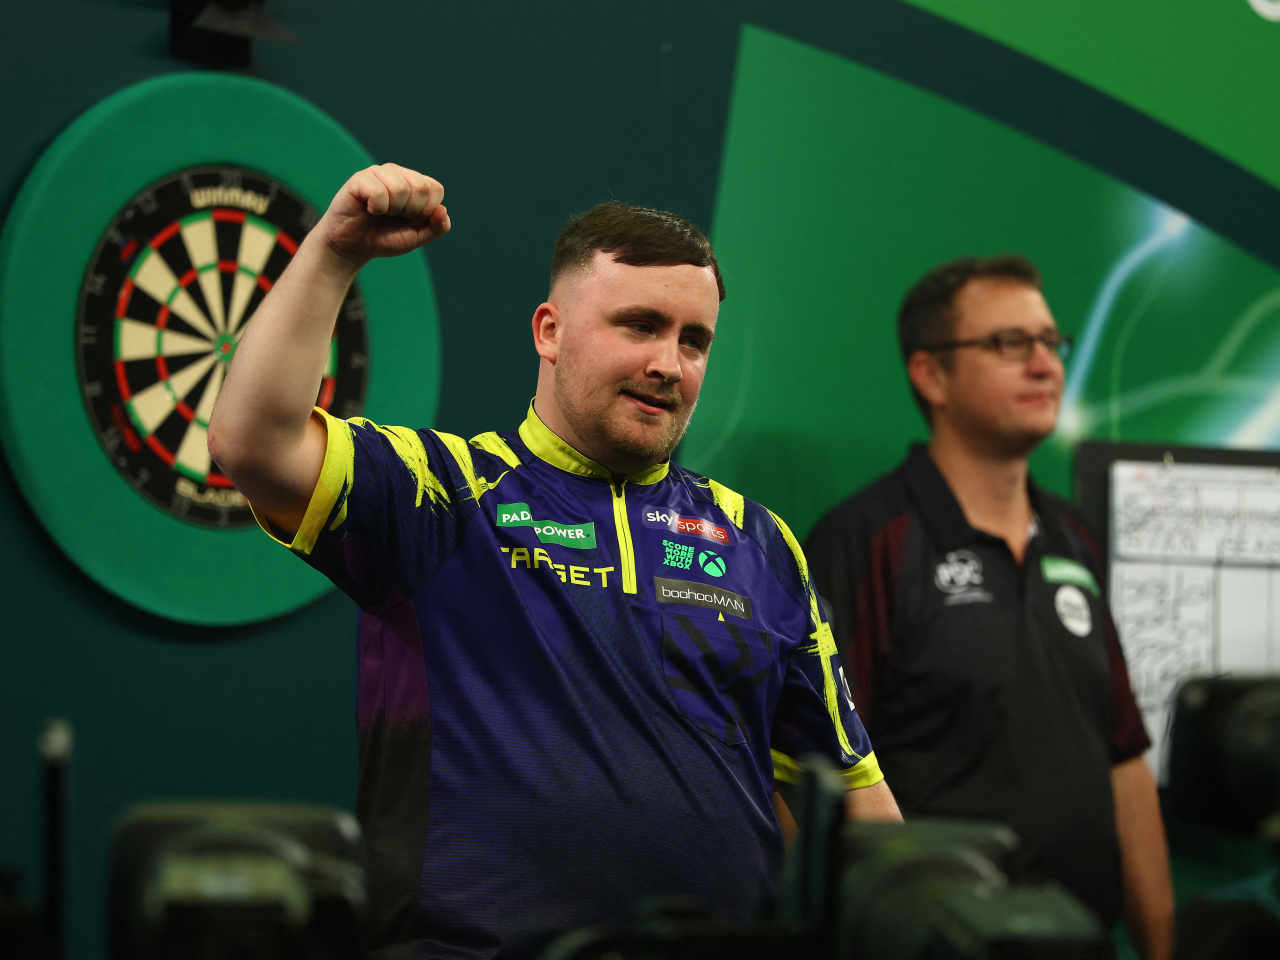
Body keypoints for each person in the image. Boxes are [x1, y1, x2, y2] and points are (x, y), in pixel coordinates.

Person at [207, 164, 899, 959]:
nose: (669, 364)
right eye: (640, 325)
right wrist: (333, 254)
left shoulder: (759, 542)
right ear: (550, 330)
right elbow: (251, 441)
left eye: (694, 340)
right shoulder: (442, 495)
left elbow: (862, 813)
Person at [803, 256, 1175, 960]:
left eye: (1050, 342)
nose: (1044, 365)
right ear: (930, 374)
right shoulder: (869, 539)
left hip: (1080, 942)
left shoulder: (1075, 538)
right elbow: (819, 772)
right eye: (1009, 344)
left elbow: (1123, 758)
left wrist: (1161, 951)